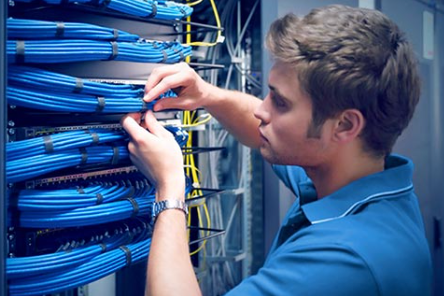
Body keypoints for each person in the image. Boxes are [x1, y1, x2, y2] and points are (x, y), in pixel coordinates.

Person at [121, 4, 432, 296]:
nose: (261, 111)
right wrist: (207, 95)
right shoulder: (349, 177)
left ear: (344, 126)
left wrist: (170, 187)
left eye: (280, 102)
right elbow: (259, 126)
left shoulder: (346, 259)